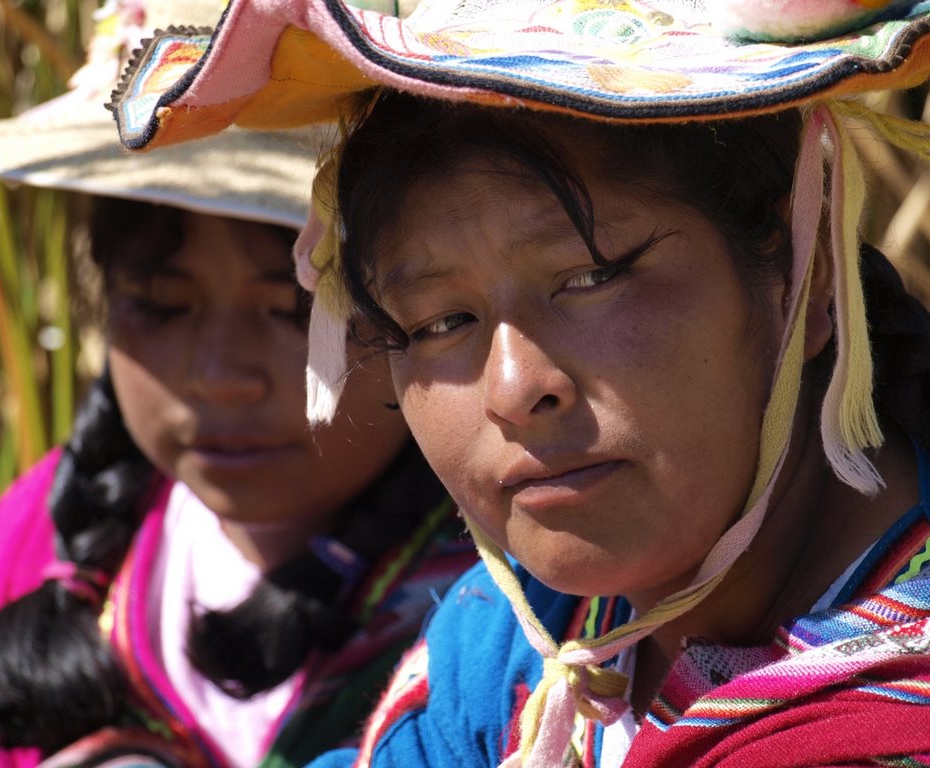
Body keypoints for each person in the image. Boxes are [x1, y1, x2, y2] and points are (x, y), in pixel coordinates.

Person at [110, 0, 930, 765]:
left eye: (592, 278)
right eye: (439, 323)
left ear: (806, 276)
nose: (515, 387)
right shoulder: (514, 646)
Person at [0, 1, 475, 766]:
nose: (220, 378)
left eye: (296, 310)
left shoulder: (509, 614)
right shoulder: (43, 544)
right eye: (161, 305)